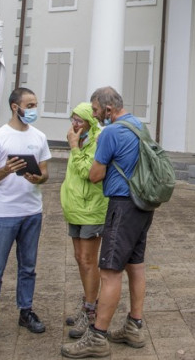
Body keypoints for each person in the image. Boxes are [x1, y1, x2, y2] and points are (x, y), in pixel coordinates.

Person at [61, 86, 154, 358]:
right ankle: (134, 326)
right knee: (135, 266)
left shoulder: (111, 132)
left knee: (110, 271)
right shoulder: (139, 125)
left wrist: (76, 148)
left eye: (96, 110)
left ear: (109, 109)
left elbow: (94, 175)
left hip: (122, 205)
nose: (94, 115)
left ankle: (98, 337)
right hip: (142, 205)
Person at [0, 87, 51, 345]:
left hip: (32, 212)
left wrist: (37, 177)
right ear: (14, 107)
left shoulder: (39, 137)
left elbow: (45, 172)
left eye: (35, 105)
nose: (33, 110)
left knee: (28, 268)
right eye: (29, 105)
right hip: (3, 214)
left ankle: (26, 312)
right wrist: (7, 169)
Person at [61, 102, 107, 339]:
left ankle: (91, 311)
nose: (74, 124)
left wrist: (74, 147)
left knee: (89, 260)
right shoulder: (80, 139)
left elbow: (88, 174)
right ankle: (87, 303)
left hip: (91, 209)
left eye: (79, 120)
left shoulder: (98, 140)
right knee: (80, 259)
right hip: (75, 208)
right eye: (73, 119)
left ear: (91, 120)